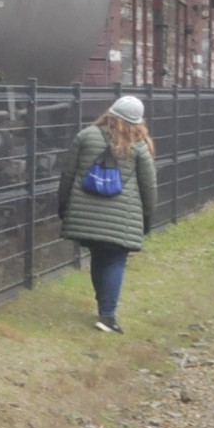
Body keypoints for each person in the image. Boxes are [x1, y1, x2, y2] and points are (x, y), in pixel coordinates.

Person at [55, 94, 159, 334]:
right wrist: (147, 216)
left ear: (110, 113)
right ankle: (107, 316)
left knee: (99, 256)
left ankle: (104, 308)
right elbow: (148, 186)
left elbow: (67, 175)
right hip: (121, 218)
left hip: (86, 214)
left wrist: (63, 205)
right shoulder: (139, 146)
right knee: (115, 260)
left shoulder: (86, 136)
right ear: (138, 121)